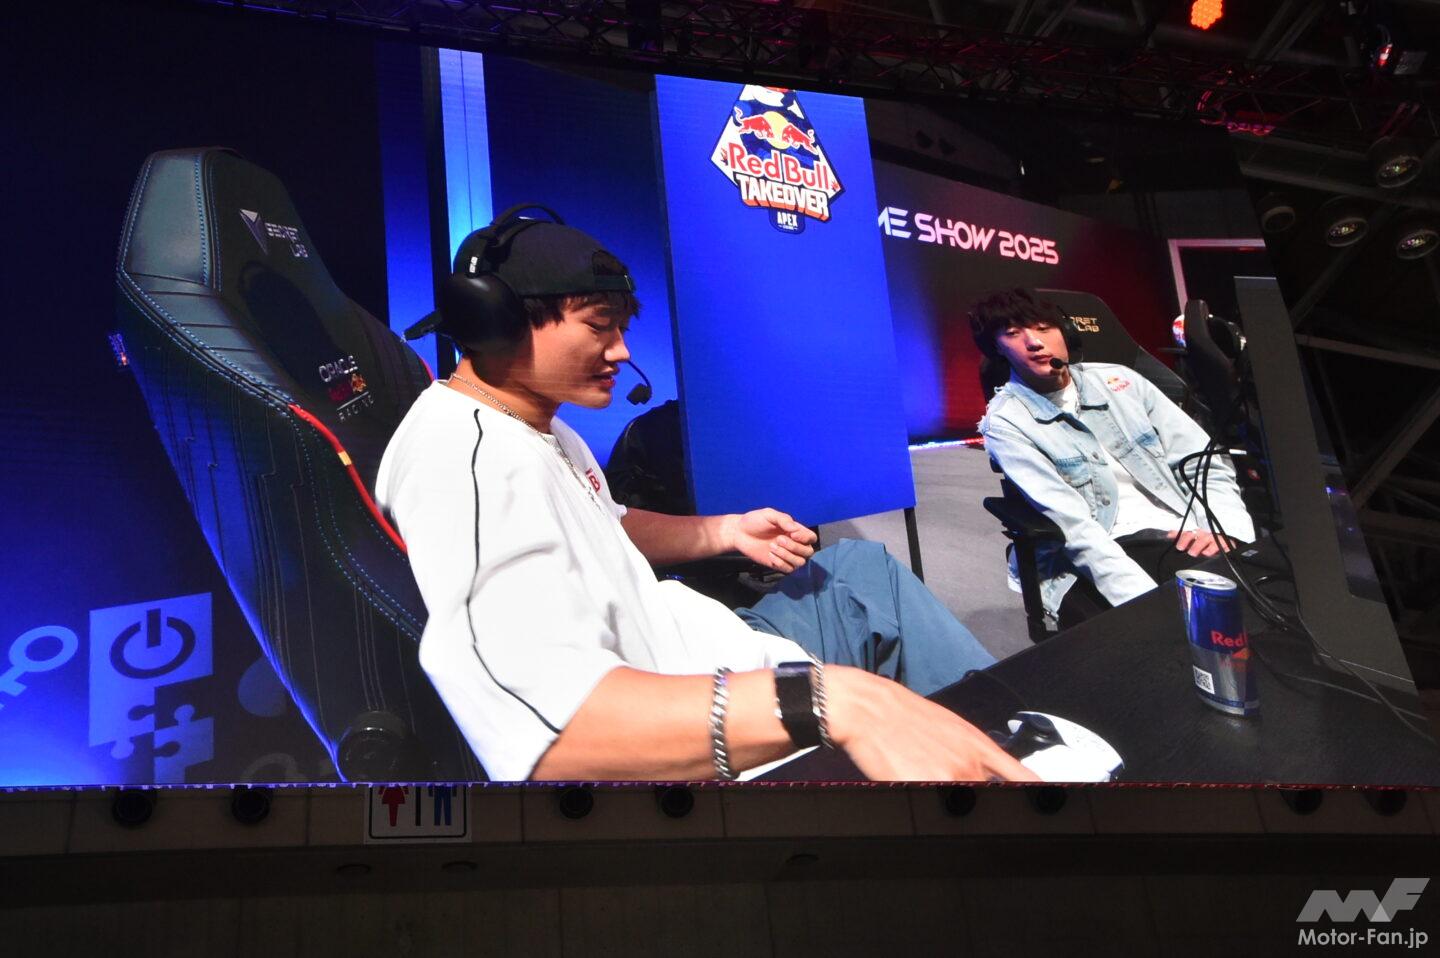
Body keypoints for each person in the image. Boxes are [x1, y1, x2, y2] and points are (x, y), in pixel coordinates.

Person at [376, 207, 1035, 783]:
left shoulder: (535, 426)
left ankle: (1007, 742)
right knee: (869, 623)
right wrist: (830, 702)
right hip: (683, 702)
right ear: (496, 323)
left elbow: (606, 523)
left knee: (861, 571)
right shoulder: (466, 460)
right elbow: (556, 729)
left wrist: (726, 531)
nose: (621, 351)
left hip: (703, 650)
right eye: (600, 326)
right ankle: (1022, 771)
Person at [970, 289, 1256, 630]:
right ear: (997, 349)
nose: (1034, 342)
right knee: (1213, 622)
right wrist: (1150, 603)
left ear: (1066, 332)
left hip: (1186, 525)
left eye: (1044, 328)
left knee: (1265, 589)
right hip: (1115, 542)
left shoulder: (1121, 381)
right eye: (1013, 334)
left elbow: (1202, 462)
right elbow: (1075, 528)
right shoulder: (1006, 422)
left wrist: (1223, 529)